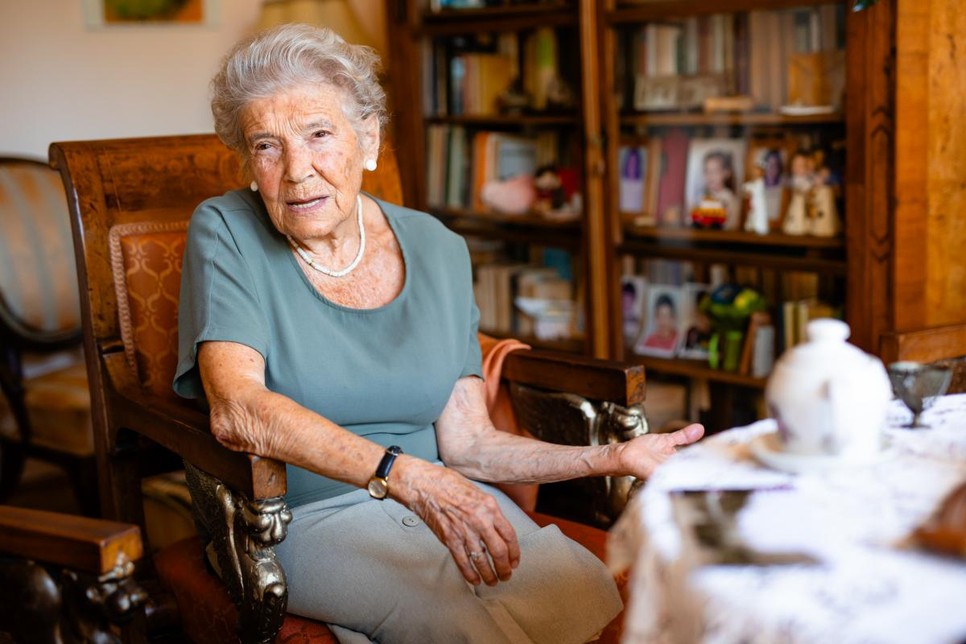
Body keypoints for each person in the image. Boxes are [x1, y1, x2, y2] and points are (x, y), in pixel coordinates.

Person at [173, 24, 704, 644]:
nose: (296, 171)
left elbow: (470, 442)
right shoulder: (225, 231)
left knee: (579, 591)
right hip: (297, 517)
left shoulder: (438, 247)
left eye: (319, 134)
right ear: (249, 160)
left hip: (438, 492)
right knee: (462, 626)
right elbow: (238, 410)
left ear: (367, 139)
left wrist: (608, 457)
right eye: (267, 145)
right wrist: (407, 478)